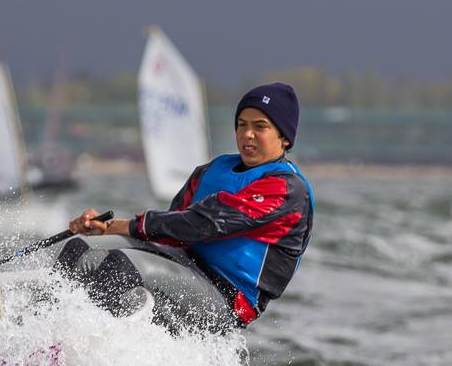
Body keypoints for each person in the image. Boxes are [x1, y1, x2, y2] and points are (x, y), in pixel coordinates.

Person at [56, 82, 314, 333]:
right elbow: (173, 224)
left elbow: (204, 223)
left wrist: (119, 227)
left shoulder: (288, 188)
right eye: (241, 124)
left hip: (227, 296)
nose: (247, 134)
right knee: (80, 249)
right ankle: (46, 330)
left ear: (284, 138)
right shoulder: (213, 169)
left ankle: (84, 341)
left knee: (120, 266)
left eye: (260, 126)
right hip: (182, 261)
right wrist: (104, 228)